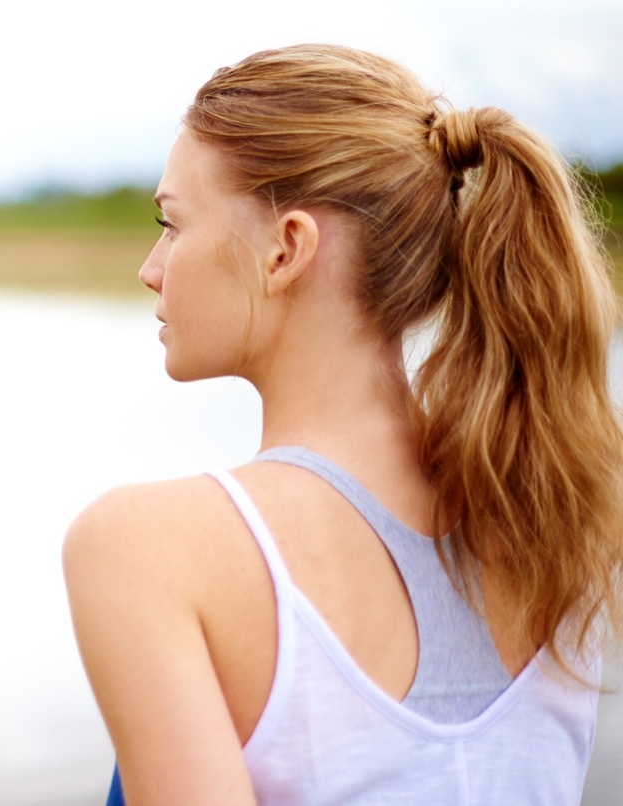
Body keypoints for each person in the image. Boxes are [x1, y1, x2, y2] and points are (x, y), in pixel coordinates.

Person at [63, 44, 623, 805]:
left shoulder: (149, 547)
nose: (152, 267)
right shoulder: (557, 516)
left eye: (172, 223)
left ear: (286, 248)